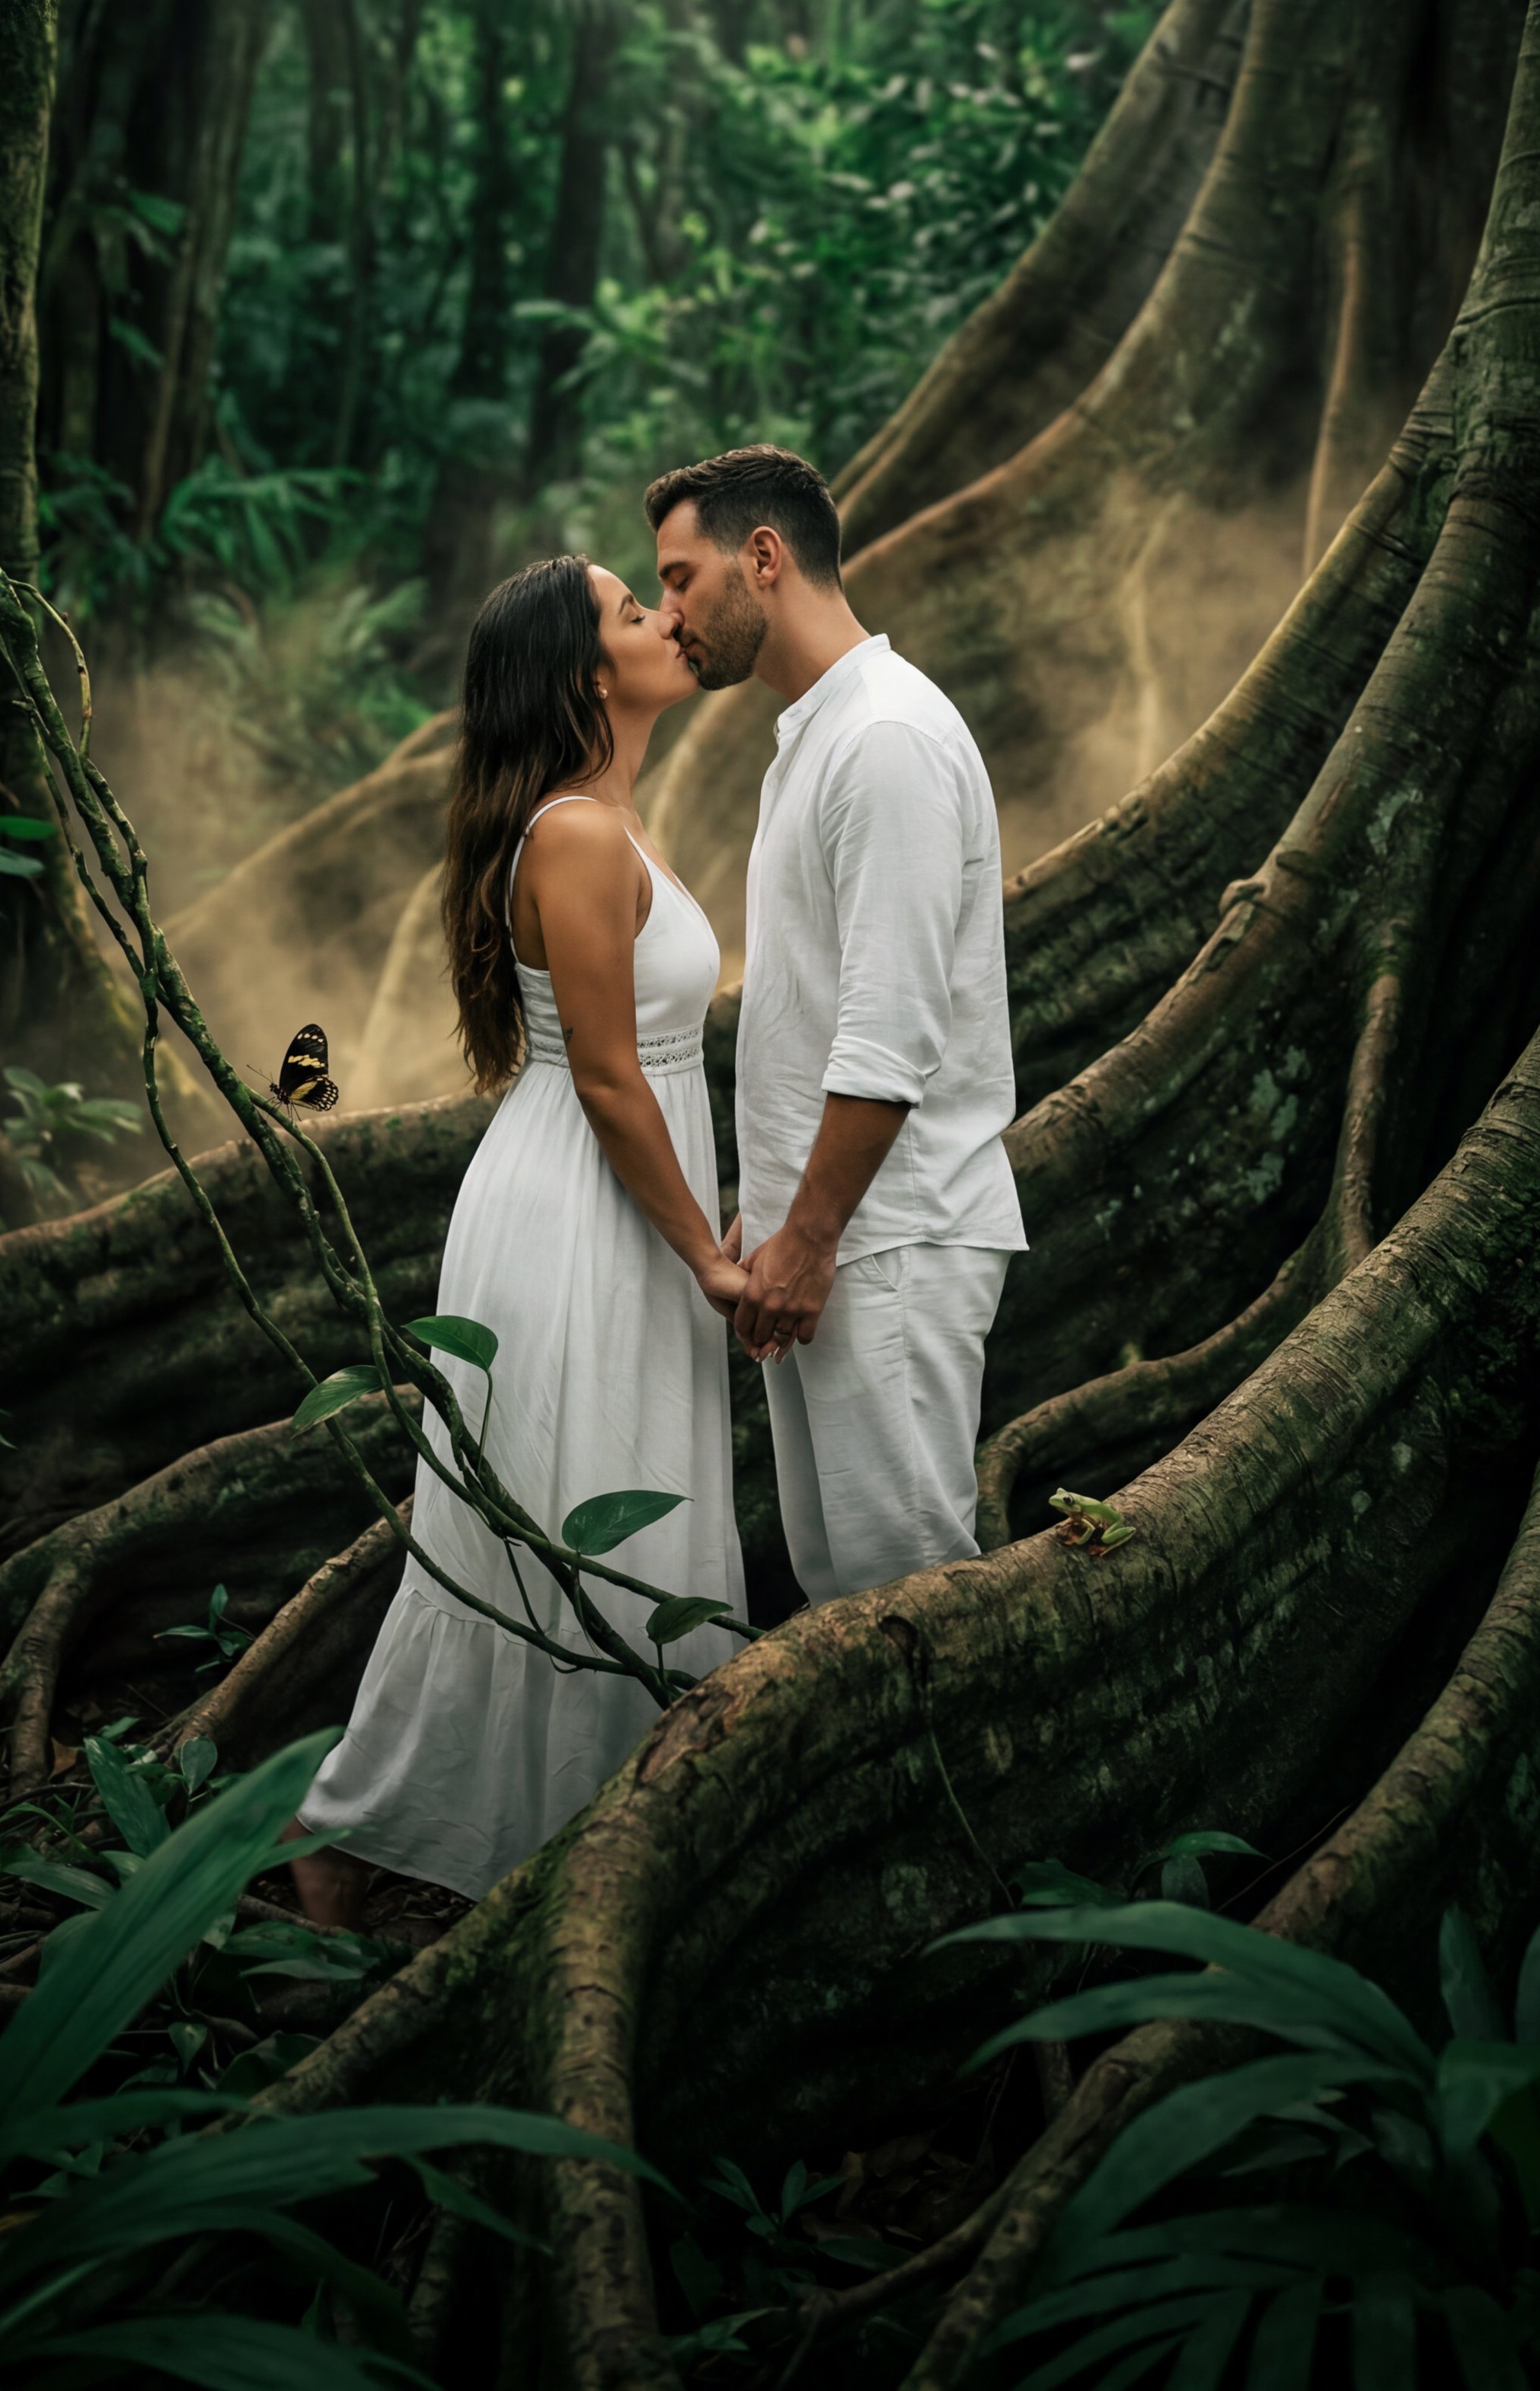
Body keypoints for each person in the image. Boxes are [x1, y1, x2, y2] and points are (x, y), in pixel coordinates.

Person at [288, 555, 747, 1924]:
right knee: (561, 1504)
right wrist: (712, 1262)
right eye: (631, 611)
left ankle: (579, 1838)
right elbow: (610, 1076)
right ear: (582, 676)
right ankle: (360, 1829)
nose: (668, 618)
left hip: (614, 1196)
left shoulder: (614, 819)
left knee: (605, 1487)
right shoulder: (579, 835)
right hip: (581, 1209)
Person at [648, 444, 1025, 1607]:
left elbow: (889, 1028)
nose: (668, 617)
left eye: (676, 578)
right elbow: (812, 1005)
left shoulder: (884, 739)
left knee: (909, 1594)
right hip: (827, 1237)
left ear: (761, 559)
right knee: (842, 1599)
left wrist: (806, 1239)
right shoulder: (815, 735)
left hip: (887, 1237)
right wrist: (772, 1210)